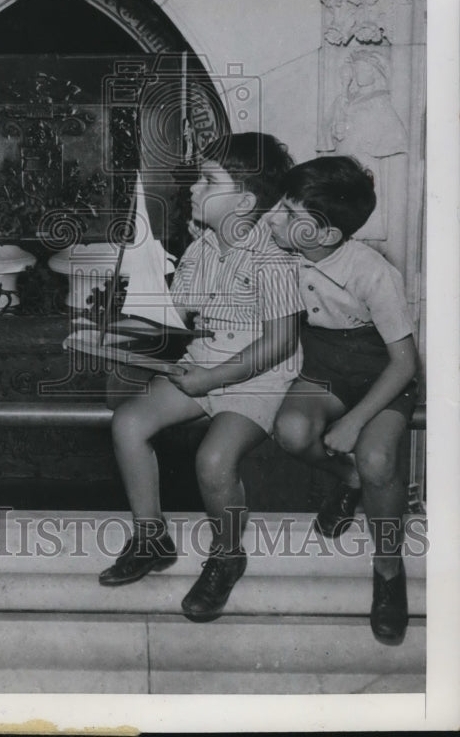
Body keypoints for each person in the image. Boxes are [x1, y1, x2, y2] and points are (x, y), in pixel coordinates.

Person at [99, 132, 301, 623]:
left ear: (246, 202)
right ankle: (151, 538)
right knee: (128, 423)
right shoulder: (202, 248)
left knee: (214, 458)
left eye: (209, 180)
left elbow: (280, 343)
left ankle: (228, 555)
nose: (193, 187)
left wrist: (210, 380)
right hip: (205, 362)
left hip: (257, 376)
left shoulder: (272, 260)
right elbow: (178, 315)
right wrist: (112, 333)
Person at [266, 156, 419, 645]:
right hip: (327, 366)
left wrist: (354, 423)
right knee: (290, 432)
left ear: (328, 236)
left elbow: (404, 364)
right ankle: (347, 480)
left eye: (291, 215)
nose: (275, 219)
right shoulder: (284, 252)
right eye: (280, 207)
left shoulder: (373, 273)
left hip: (382, 373)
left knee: (377, 458)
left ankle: (389, 573)